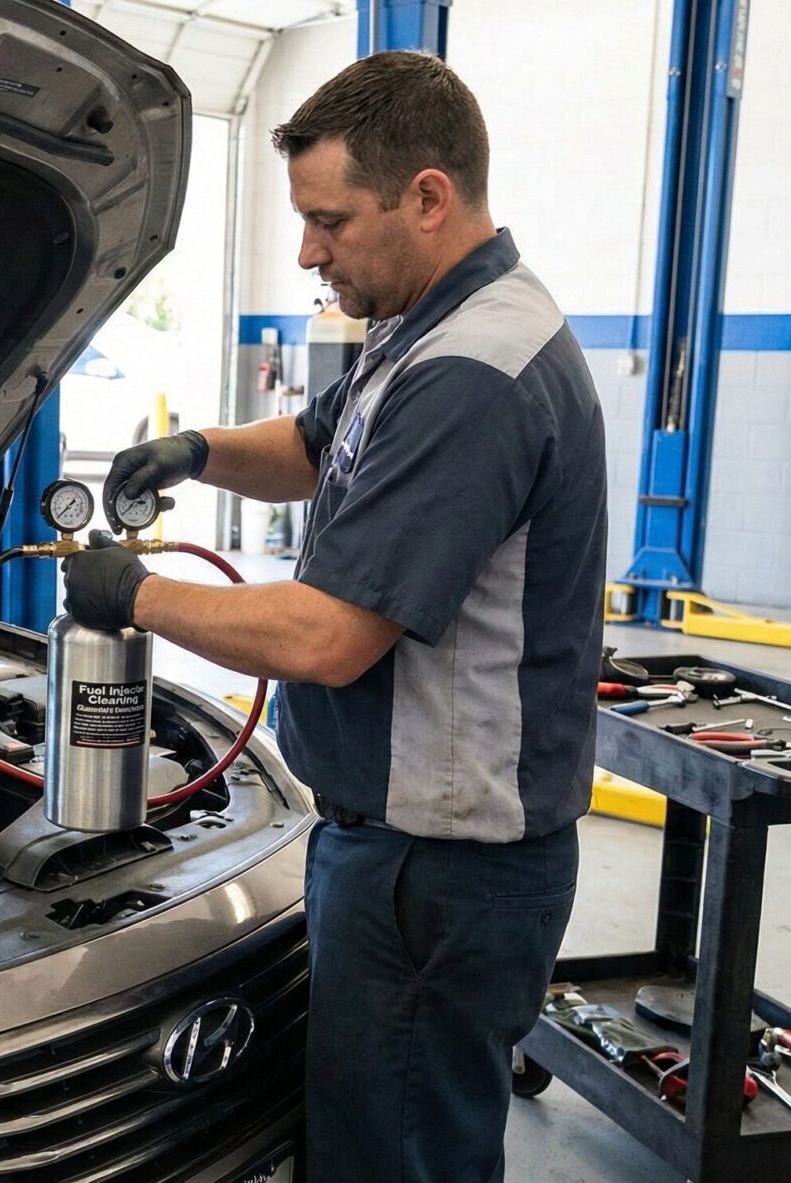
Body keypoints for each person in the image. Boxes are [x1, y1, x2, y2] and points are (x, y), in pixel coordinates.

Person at [61, 51, 605, 1182]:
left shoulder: (471, 372)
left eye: (326, 220)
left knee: (390, 1155)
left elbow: (325, 636)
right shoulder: (427, 320)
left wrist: (136, 595)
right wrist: (195, 451)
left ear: (425, 196)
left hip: (436, 873)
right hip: (400, 848)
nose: (307, 251)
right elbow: (317, 449)